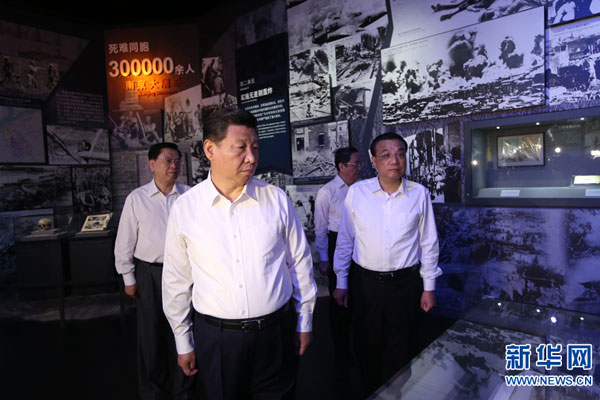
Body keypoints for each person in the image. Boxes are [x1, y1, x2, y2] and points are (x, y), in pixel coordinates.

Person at [162, 108, 317, 400]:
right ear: (210, 149)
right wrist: (183, 341)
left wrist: (304, 319)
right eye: (241, 148)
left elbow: (299, 262)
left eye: (255, 147)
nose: (251, 157)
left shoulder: (276, 200)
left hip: (276, 334)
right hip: (218, 340)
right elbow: (176, 280)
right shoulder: (186, 208)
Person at [333, 132, 442, 397]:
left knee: (404, 345)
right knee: (366, 344)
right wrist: (342, 281)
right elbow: (345, 239)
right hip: (366, 284)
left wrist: (429, 287)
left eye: (400, 154)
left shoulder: (419, 194)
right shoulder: (358, 192)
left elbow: (429, 242)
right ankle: (371, 391)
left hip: (405, 284)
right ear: (373, 161)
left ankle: (397, 392)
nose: (395, 160)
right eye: (386, 155)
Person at [114, 142, 194, 400]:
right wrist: (128, 277)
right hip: (150, 273)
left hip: (184, 273)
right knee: (151, 333)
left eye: (177, 161)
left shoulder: (189, 196)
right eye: (168, 160)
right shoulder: (137, 198)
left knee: (184, 328)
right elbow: (125, 241)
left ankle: (185, 388)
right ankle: (153, 390)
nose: (174, 165)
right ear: (152, 164)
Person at [314, 146, 360, 398]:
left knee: (359, 295)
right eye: (354, 164)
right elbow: (320, 228)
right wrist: (324, 258)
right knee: (338, 299)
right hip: (334, 243)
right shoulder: (327, 192)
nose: (359, 168)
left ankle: (360, 343)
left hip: (360, 244)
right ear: (341, 166)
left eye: (359, 164)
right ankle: (341, 351)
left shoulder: (363, 189)